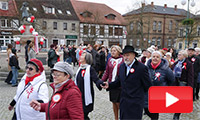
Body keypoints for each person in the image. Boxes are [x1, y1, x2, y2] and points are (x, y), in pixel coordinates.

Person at [101, 45, 152, 120]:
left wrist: (138, 95)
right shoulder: (122, 66)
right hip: (124, 102)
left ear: (134, 55)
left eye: (128, 55)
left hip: (135, 104)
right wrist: (109, 85)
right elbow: (119, 81)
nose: (125, 57)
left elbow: (147, 85)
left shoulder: (141, 68)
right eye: (124, 55)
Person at [144, 51, 175, 120]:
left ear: (160, 59)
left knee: (155, 113)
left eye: (157, 57)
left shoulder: (166, 69)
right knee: (146, 109)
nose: (155, 58)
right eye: (154, 57)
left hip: (159, 93)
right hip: (147, 93)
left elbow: (172, 80)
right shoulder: (146, 68)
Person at [75, 51, 103, 119]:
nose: (80, 57)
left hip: (86, 96)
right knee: (80, 114)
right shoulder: (79, 69)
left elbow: (96, 79)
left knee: (83, 114)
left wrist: (101, 84)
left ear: (86, 58)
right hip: (78, 95)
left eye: (82, 56)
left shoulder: (90, 69)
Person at [101, 45, 124, 120]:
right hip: (111, 83)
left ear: (118, 51)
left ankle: (122, 117)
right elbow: (107, 72)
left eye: (114, 51)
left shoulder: (123, 60)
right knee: (114, 102)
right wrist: (102, 81)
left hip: (120, 85)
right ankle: (116, 118)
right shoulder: (110, 60)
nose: (112, 52)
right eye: (112, 51)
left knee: (119, 103)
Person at [172, 50, 194, 120]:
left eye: (180, 55)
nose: (178, 56)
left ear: (184, 56)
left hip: (183, 84)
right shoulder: (176, 63)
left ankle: (177, 114)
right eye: (178, 55)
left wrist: (190, 87)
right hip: (176, 83)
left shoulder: (188, 64)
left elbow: (190, 76)